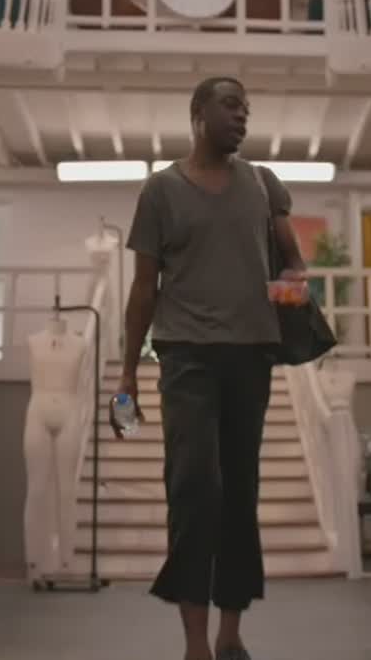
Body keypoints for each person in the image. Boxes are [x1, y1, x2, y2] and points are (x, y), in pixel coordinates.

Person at [119, 76, 308, 660]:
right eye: (230, 105)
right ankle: (195, 644)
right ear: (198, 114)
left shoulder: (263, 184)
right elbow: (143, 291)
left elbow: (293, 263)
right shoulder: (160, 191)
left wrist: (287, 293)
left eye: (246, 108)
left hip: (250, 356)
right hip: (186, 358)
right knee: (195, 488)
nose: (242, 115)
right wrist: (126, 377)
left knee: (239, 494)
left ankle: (230, 635)